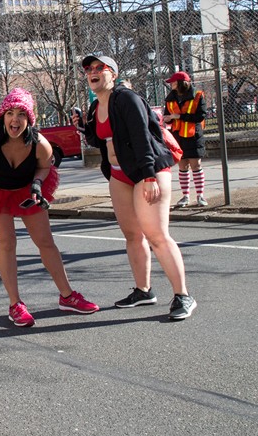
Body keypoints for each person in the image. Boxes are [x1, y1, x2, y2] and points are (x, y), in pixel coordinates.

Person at [0, 88, 99, 328]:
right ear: (2, 116)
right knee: (7, 242)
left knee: (45, 242)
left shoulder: (39, 143)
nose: (15, 119)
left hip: (27, 190)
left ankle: (67, 296)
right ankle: (15, 304)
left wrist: (37, 184)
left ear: (30, 119)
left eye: (22, 114)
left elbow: (45, 167)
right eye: (10, 113)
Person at [73, 55, 197, 321]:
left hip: (147, 171)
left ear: (113, 74)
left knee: (157, 235)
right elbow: (99, 140)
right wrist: (84, 128)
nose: (92, 72)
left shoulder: (126, 98)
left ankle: (183, 295)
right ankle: (143, 290)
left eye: (99, 68)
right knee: (132, 235)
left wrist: (149, 175)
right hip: (120, 175)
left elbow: (142, 137)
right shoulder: (97, 107)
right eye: (89, 69)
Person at [164, 71, 208, 207]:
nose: (171, 84)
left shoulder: (197, 95)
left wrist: (179, 117)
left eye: (173, 82)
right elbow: (167, 115)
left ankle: (200, 196)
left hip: (193, 135)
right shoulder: (170, 98)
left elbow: (200, 116)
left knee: (196, 165)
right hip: (177, 136)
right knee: (182, 166)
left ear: (180, 83)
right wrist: (168, 119)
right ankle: (185, 196)